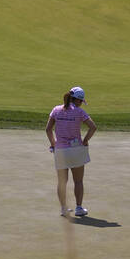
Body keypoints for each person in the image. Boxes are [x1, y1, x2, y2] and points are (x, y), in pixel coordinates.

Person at [45, 86, 97, 217]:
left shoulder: (56, 110)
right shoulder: (79, 112)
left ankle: (63, 208)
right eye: (81, 101)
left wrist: (53, 144)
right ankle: (79, 208)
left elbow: (48, 129)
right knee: (78, 181)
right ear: (78, 100)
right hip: (76, 150)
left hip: (61, 150)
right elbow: (93, 127)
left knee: (62, 181)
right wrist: (85, 141)